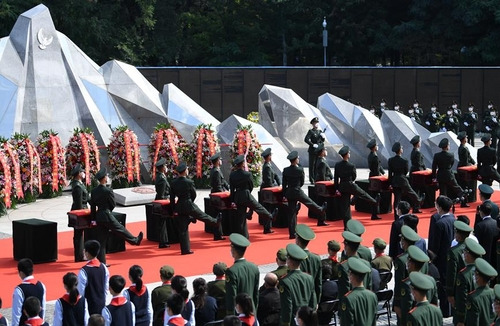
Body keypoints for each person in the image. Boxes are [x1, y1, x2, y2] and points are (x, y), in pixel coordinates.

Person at [90, 168, 143, 264]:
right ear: (105, 178)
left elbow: (93, 206)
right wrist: (108, 210)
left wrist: (93, 219)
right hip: (106, 214)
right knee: (120, 229)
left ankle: (102, 262)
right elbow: (113, 203)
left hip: (99, 216)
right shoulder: (108, 190)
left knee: (101, 241)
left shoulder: (94, 191)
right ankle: (134, 240)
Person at [171, 162, 224, 254]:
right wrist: (190, 201)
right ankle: (215, 222)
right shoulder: (189, 182)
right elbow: (193, 194)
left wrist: (174, 209)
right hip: (188, 203)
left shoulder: (173, 183)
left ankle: (185, 249)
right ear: (184, 171)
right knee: (202, 215)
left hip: (179, 205)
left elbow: (172, 198)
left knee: (183, 229)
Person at [282, 151, 326, 238]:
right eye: (297, 158)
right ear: (295, 160)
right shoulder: (300, 169)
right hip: (297, 190)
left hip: (290, 192)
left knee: (292, 213)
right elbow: (302, 182)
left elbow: (284, 184)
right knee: (309, 202)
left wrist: (285, 194)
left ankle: (292, 233)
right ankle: (320, 210)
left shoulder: (286, 170)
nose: (298, 159)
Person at [229, 155, 277, 237]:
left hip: (238, 196)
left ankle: (244, 236)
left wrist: (233, 200)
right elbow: (251, 186)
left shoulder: (232, 175)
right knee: (258, 207)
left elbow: (232, 189)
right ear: (243, 164)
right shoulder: (247, 174)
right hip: (246, 194)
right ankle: (270, 216)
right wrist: (247, 192)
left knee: (241, 218)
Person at [333, 146, 380, 226]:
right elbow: (354, 177)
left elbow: (336, 178)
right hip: (350, 185)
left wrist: (337, 189)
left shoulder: (337, 165)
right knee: (362, 193)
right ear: (347, 155)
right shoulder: (351, 166)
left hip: (342, 187)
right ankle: (374, 202)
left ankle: (346, 225)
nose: (350, 154)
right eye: (349, 153)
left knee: (346, 208)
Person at [428, 195, 455, 317]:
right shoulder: (453, 219)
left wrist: (431, 258)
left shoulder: (439, 223)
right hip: (451, 257)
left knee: (443, 285)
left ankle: (445, 311)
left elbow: (435, 245)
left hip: (441, 259)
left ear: (439, 207)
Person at [278, 243, 317, 326]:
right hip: (307, 319)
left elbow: (287, 306)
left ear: (290, 262)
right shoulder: (309, 278)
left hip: (294, 320)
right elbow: (313, 302)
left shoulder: (285, 281)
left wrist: (285, 323)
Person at [398, 246, 437, 326]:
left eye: (408, 261)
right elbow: (434, 303)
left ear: (411, 264)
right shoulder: (431, 280)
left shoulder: (407, 284)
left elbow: (406, 309)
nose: (407, 264)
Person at [225, 233, 260, 316]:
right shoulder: (254, 267)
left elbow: (232, 296)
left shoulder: (231, 271)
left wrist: (231, 315)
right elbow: (256, 294)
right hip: (252, 312)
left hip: (240, 314)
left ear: (233, 250)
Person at [454, 238, 486, 326]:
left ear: (468, 255)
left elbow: (462, 298)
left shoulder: (463, 274)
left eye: (465, 253)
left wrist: (460, 318)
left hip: (468, 316)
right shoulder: (484, 271)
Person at [338, 257, 377, 326]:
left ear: (352, 276)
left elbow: (347, 323)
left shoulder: (348, 298)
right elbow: (374, 320)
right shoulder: (372, 296)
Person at [393, 225, 421, 319]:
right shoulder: (421, 256)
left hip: (405, 298)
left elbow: (399, 282)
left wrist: (396, 302)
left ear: (404, 242)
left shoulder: (401, 259)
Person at [388, 142, 423, 215]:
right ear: (400, 150)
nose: (402, 149)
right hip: (402, 179)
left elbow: (390, 173)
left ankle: (396, 215)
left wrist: (390, 183)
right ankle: (419, 200)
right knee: (411, 192)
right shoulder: (404, 160)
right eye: (401, 148)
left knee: (397, 199)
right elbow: (405, 171)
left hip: (395, 180)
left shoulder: (391, 160)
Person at [445, 220, 473, 311]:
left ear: (458, 234)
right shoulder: (473, 247)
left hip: (459, 287)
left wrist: (450, 293)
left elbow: (451, 273)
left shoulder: (453, 251)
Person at [432, 138, 468, 206]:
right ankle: (463, 200)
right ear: (447, 146)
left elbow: (434, 167)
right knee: (457, 188)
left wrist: (434, 177)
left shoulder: (437, 155)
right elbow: (451, 164)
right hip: (449, 174)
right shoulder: (451, 155)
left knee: (443, 192)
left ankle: (443, 206)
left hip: (440, 175)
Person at [78, 240, 110, 316]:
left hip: (89, 305)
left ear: (87, 253)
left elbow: (80, 291)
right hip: (101, 302)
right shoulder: (104, 267)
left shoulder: (84, 271)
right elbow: (106, 286)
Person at [337, 231, 372, 298]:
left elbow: (344, 289)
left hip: (351, 302)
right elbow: (369, 285)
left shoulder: (343, 266)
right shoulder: (366, 264)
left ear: (347, 247)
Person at [12, 258, 46, 326]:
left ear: (21, 273)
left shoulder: (19, 290)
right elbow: (43, 307)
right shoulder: (41, 285)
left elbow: (16, 314)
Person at [465, 258, 497, 325]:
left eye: (476, 274)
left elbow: (473, 322)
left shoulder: (473, 298)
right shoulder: (494, 293)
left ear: (478, 277)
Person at [294, 224, 322, 302]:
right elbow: (318, 282)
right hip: (312, 298)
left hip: (299, 298)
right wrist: (317, 301)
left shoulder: (295, 257)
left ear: (297, 240)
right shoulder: (316, 258)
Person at [70, 163, 89, 262]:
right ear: (78, 174)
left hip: (84, 210)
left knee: (80, 234)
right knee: (78, 235)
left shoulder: (80, 184)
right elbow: (78, 203)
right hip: (80, 212)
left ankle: (81, 254)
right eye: (82, 172)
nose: (83, 173)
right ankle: (79, 256)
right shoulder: (77, 186)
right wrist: (81, 215)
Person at [260, 148, 282, 231]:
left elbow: (275, 175)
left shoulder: (269, 165)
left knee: (268, 208)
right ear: (268, 157)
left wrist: (278, 182)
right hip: (267, 190)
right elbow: (269, 181)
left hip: (267, 189)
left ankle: (268, 227)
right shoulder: (267, 167)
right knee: (267, 208)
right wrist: (275, 185)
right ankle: (267, 228)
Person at [155, 157, 171, 249]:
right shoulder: (161, 178)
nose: (166, 167)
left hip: (162, 199)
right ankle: (163, 242)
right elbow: (161, 193)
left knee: (163, 223)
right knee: (162, 223)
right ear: (162, 168)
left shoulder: (161, 176)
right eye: (165, 166)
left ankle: (164, 240)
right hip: (162, 200)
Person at [313, 144, 331, 226]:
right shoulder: (322, 162)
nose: (326, 151)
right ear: (322, 152)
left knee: (321, 202)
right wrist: (325, 185)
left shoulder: (320, 160)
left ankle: (321, 219)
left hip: (320, 185)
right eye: (324, 150)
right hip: (322, 185)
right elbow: (322, 176)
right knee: (322, 203)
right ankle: (321, 220)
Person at [304, 117, 325, 183]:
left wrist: (323, 137)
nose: (316, 124)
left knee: (317, 165)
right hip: (313, 150)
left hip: (318, 150)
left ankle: (316, 178)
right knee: (312, 165)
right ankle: (312, 179)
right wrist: (312, 144)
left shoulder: (320, 131)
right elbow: (306, 139)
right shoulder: (311, 131)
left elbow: (322, 141)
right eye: (315, 123)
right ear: (312, 124)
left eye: (317, 122)